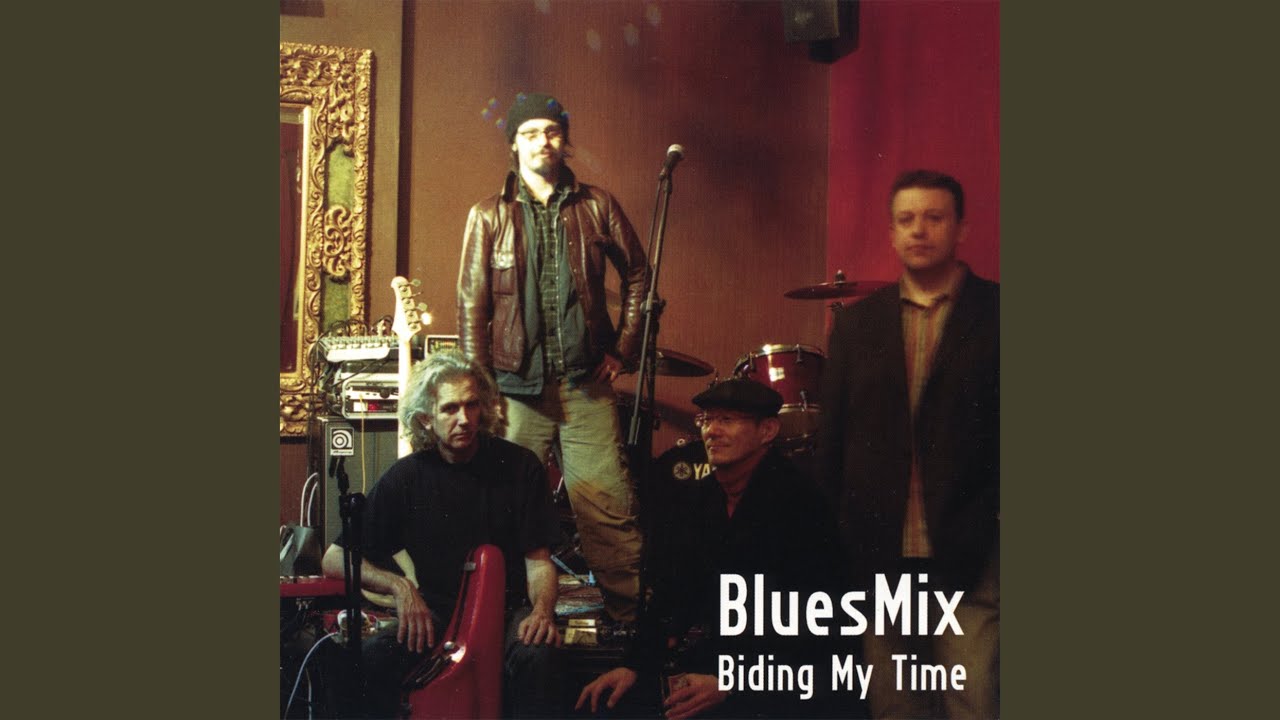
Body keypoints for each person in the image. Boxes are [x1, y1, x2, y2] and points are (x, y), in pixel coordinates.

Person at [457, 92, 650, 623]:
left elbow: (639, 274)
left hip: (586, 384)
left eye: (551, 131)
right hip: (515, 389)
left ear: (563, 140)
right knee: (500, 511)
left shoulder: (598, 206)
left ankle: (632, 628)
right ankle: (493, 623)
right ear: (514, 145)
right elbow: (471, 306)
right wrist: (480, 391)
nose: (542, 141)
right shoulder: (488, 215)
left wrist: (624, 349)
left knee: (608, 509)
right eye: (530, 133)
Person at [817, 169, 999, 719]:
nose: (919, 230)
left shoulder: (1001, 314)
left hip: (973, 551)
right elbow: (834, 443)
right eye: (906, 219)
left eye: (934, 217)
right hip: (879, 554)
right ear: (893, 233)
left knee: (972, 703)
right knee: (894, 706)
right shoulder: (856, 326)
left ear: (961, 228)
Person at [577, 378, 851, 719]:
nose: (711, 431)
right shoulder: (701, 498)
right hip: (726, 661)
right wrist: (633, 665)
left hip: (791, 673)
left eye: (727, 420)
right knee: (608, 704)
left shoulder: (800, 502)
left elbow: (815, 623)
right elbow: (674, 592)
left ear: (767, 430)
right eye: (706, 420)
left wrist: (733, 683)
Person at [321, 349, 563, 718]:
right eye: (450, 409)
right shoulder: (407, 477)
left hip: (510, 610)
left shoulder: (520, 466)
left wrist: (543, 612)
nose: (464, 419)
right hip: (438, 615)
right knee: (367, 658)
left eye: (471, 405)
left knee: (539, 656)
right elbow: (335, 559)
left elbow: (539, 563)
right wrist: (400, 587)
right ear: (426, 418)